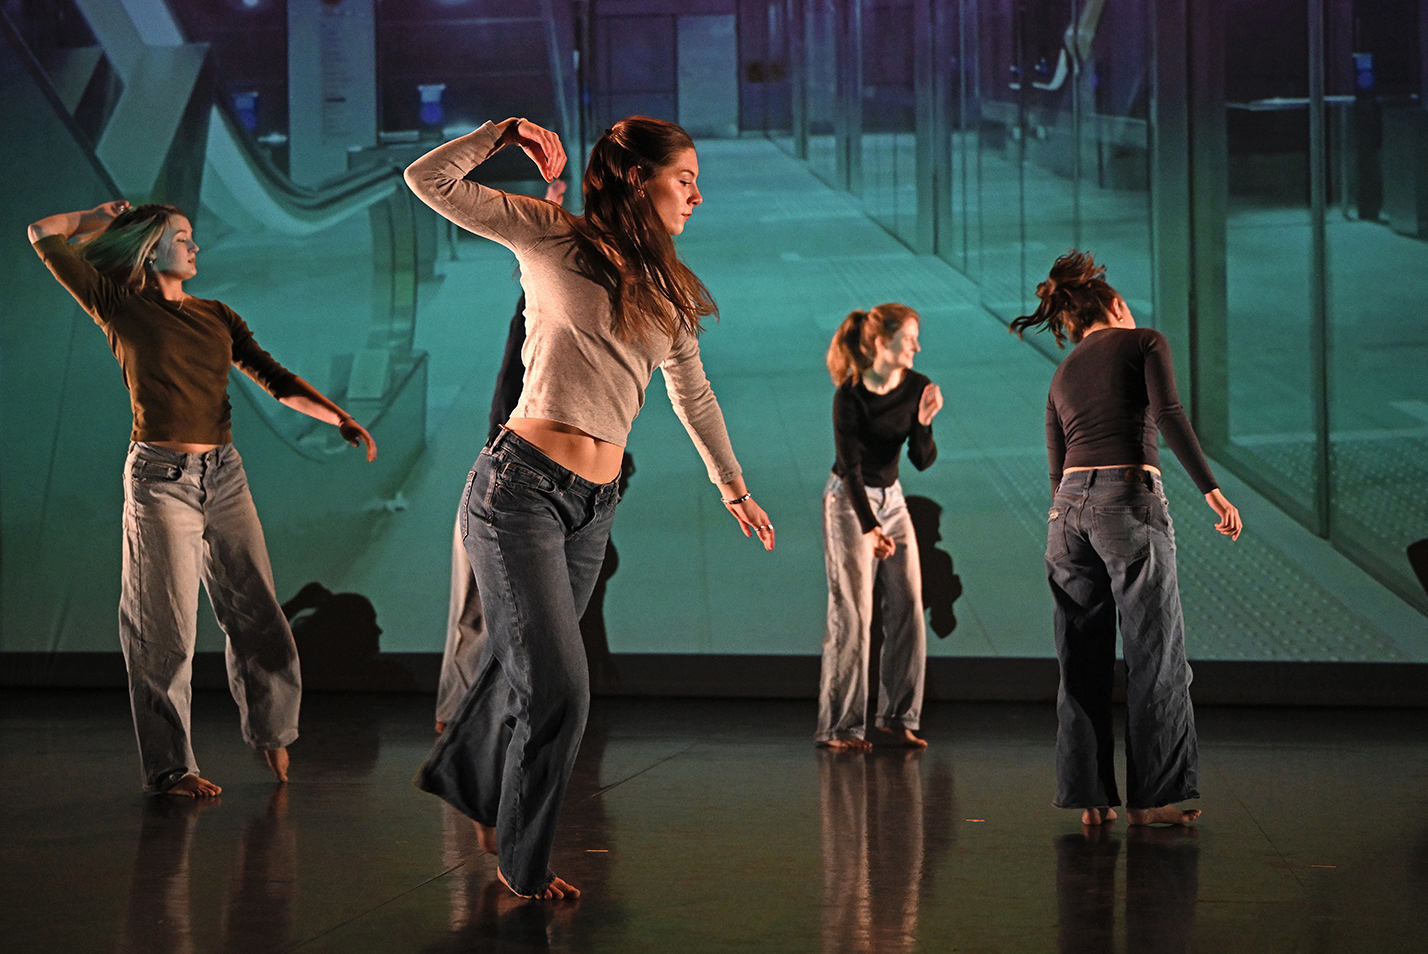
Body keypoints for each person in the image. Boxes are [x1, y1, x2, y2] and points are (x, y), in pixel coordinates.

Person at [404, 115, 775, 900]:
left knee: (533, 674)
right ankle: (524, 866)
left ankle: (470, 781)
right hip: (519, 493)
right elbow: (427, 182)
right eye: (685, 180)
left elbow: (693, 395)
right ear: (639, 179)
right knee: (563, 693)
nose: (697, 197)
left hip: (593, 508)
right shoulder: (549, 236)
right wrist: (500, 133)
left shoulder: (669, 287)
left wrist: (731, 484)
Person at [28, 201, 377, 797]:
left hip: (226, 474)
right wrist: (101, 214)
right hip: (161, 481)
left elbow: (273, 376)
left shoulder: (216, 314)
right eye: (183, 238)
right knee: (164, 630)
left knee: (258, 611)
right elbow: (43, 232)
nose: (195, 248)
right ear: (149, 248)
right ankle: (171, 768)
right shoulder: (116, 304)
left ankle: (272, 732)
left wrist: (338, 417)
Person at [1010, 250, 1241, 827]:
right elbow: (1169, 413)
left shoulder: (1060, 374)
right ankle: (1153, 800)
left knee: (1080, 661)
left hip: (1065, 514)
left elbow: (1056, 464)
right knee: (1155, 655)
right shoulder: (1144, 341)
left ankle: (1090, 800)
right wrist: (1211, 490)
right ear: (1114, 305)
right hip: (1128, 502)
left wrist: (1071, 517)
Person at [817, 304, 943, 752]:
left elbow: (921, 461)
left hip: (893, 497)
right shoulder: (849, 396)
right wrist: (870, 529)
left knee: (908, 605)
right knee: (853, 612)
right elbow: (850, 468)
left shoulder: (917, 387)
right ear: (879, 343)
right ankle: (841, 728)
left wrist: (924, 424)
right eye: (908, 338)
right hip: (849, 501)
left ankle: (898, 717)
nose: (916, 346)